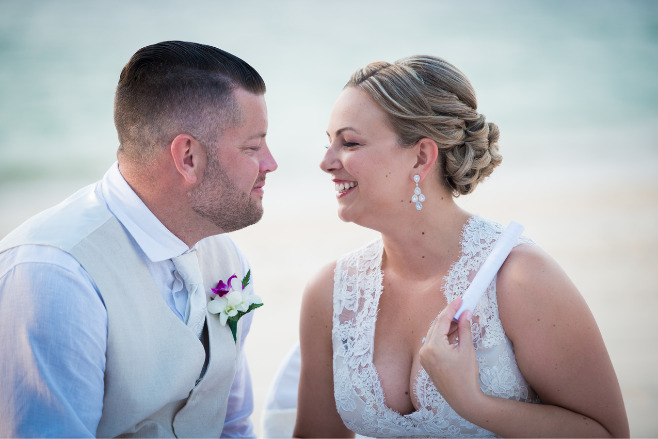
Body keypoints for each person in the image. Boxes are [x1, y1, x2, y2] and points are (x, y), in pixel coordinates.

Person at [294, 56, 629, 438]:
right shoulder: (333, 292)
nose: (325, 162)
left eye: (349, 142)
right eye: (328, 143)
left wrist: (474, 404)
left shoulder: (519, 279)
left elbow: (609, 433)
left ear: (421, 156)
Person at [0, 40, 277, 437]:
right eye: (253, 146)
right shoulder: (54, 276)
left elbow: (232, 424)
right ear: (188, 158)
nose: (271, 163)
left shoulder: (225, 256)